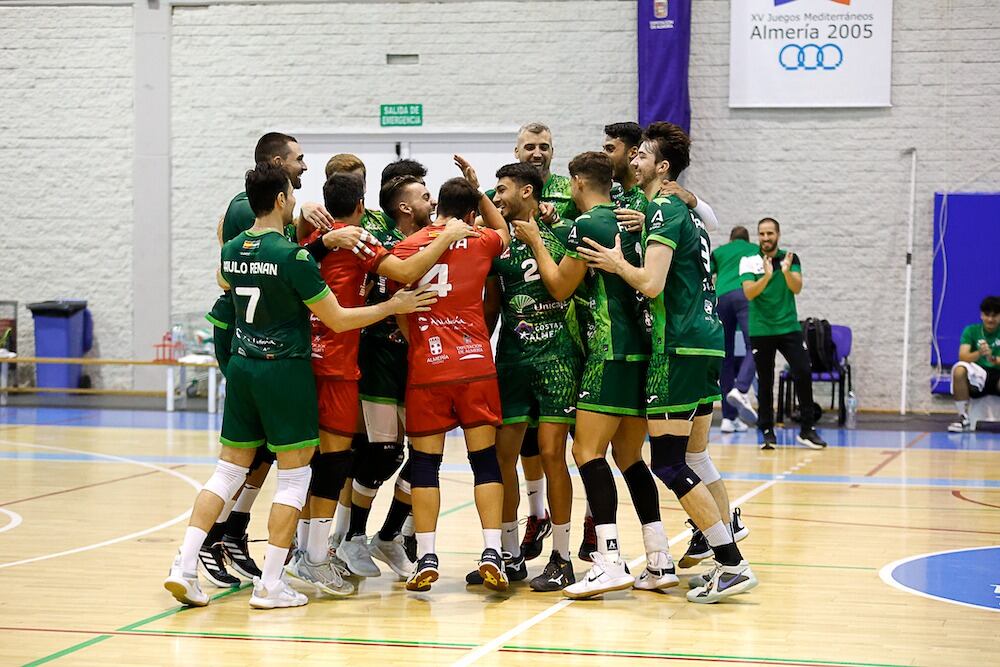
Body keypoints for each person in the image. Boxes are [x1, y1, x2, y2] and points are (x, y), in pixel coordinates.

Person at [164, 161, 434, 609]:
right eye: (292, 193)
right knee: (295, 477)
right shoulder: (293, 256)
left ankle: (183, 566)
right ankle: (274, 582)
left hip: (242, 366)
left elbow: (226, 281)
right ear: (280, 200)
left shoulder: (232, 247)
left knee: (227, 471)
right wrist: (394, 306)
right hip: (285, 370)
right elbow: (340, 319)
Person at [577, 122, 756, 603]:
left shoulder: (662, 207)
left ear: (662, 167)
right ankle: (722, 543)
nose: (631, 161)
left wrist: (616, 264)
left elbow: (651, 284)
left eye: (641, 156)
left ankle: (732, 563)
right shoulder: (686, 212)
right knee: (692, 457)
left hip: (675, 344)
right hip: (706, 342)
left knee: (671, 465)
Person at [285, 172, 477, 595]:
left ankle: (331, 546)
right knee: (348, 459)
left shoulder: (312, 239)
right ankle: (324, 549)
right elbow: (404, 269)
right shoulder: (358, 236)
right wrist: (398, 299)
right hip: (348, 357)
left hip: (308, 358)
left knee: (317, 460)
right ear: (361, 205)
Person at [199, 133, 370, 588]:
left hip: (259, 338)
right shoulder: (247, 212)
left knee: (267, 451)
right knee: (254, 448)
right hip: (248, 338)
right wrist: (323, 243)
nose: (305, 169)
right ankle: (219, 536)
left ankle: (233, 534)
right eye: (298, 162)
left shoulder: (278, 213)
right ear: (277, 171)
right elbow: (248, 272)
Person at [513, 151, 673, 600]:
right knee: (630, 459)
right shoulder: (637, 219)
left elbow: (560, 286)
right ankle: (659, 559)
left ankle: (608, 558)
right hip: (643, 351)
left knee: (585, 451)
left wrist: (537, 243)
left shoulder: (588, 225)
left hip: (607, 351)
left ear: (578, 182)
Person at [393, 163, 513, 593]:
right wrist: (481, 195)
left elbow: (403, 313)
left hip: (428, 366)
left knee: (426, 464)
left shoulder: (407, 247)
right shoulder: (480, 240)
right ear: (472, 213)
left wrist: (422, 345)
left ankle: (426, 553)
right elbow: (506, 231)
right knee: (485, 462)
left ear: (437, 206)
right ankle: (491, 550)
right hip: (476, 363)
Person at [475, 162, 582, 591]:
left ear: (527, 191)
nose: (497, 197)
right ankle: (509, 555)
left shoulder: (561, 234)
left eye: (502, 190)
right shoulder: (497, 246)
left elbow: (564, 289)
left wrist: (537, 238)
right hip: (513, 361)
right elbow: (491, 305)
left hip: (557, 358)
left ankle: (562, 555)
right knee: (504, 458)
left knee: (554, 456)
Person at [740, 218, 827, 450]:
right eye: (761, 234)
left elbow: (796, 287)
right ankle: (767, 431)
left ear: (778, 234)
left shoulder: (791, 258)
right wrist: (767, 276)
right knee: (766, 380)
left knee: (802, 371)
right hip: (761, 329)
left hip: (788, 327)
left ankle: (807, 430)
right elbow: (749, 293)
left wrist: (785, 272)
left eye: (770, 233)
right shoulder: (749, 261)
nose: (765, 238)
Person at [711, 226, 759, 433]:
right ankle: (741, 388)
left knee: (726, 356)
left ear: (731, 239)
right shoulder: (755, 249)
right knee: (755, 345)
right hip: (744, 296)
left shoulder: (720, 251)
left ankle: (728, 419)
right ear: (747, 239)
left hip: (721, 299)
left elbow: (707, 274)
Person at [949, 295, 1000, 432]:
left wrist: (992, 358)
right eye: (987, 315)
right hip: (978, 376)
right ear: (981, 315)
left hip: (997, 374)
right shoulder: (971, 331)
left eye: (994, 316)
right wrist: (979, 353)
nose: (990, 319)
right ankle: (963, 417)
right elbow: (963, 356)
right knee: (959, 369)